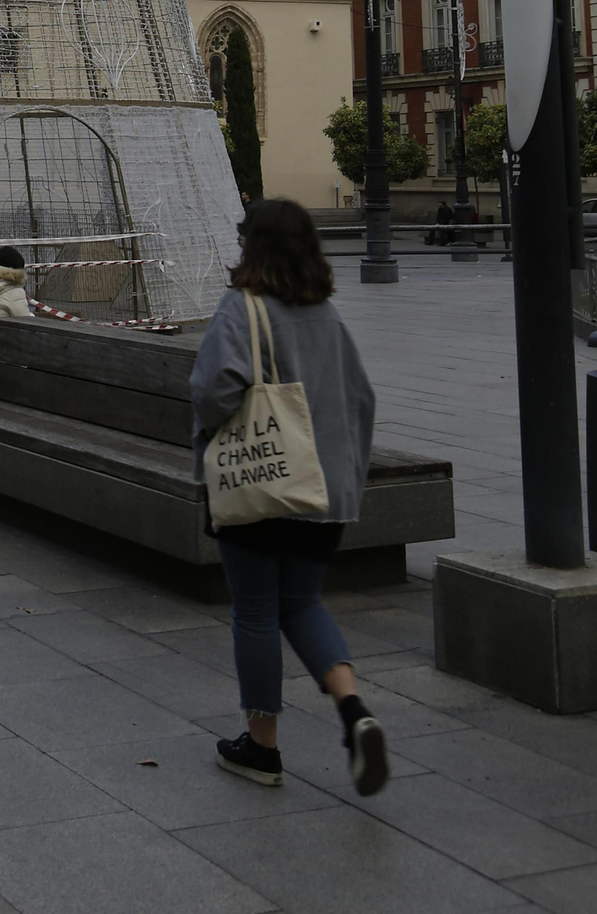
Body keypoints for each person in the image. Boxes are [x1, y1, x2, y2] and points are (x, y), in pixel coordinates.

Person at [190, 198, 388, 797]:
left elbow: (214, 391)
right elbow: (362, 400)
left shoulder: (241, 307)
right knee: (301, 602)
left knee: (255, 610)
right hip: (324, 489)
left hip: (260, 481)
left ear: (252, 245)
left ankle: (262, 748)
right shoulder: (327, 314)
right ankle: (354, 710)